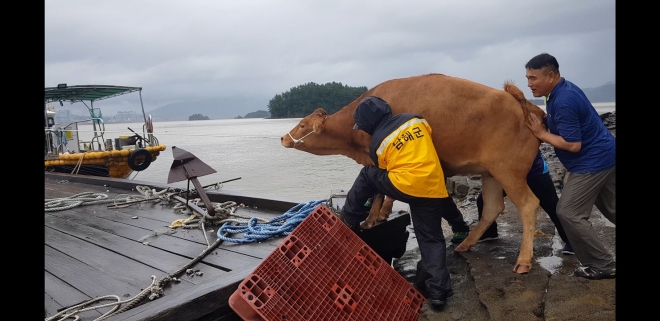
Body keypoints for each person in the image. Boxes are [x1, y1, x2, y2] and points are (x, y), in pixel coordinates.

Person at [339, 96, 454, 309]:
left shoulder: (378, 143)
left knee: (367, 174)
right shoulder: (417, 120)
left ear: (369, 123)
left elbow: (383, 172)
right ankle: (439, 293)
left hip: (405, 185)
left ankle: (348, 218)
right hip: (433, 189)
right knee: (431, 239)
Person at [524, 53, 616, 280]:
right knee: (613, 207)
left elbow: (573, 145)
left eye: (534, 78)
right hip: (606, 154)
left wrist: (542, 134)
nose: (529, 84)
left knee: (568, 212)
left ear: (552, 75)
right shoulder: (561, 91)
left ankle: (603, 264)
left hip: (591, 162)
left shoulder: (563, 100)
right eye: (527, 78)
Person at [473, 150, 574, 255]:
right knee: (484, 200)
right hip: (509, 174)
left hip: (535, 172)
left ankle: (572, 241)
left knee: (552, 206)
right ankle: (488, 232)